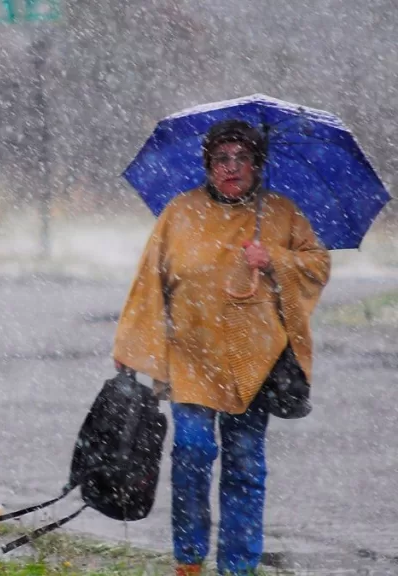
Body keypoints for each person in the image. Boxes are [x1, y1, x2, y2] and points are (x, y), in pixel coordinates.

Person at [112, 119, 331, 575]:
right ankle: (189, 560)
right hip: (191, 358)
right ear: (207, 164)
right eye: (221, 159)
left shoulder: (282, 213)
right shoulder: (179, 212)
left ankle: (238, 566)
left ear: (258, 164)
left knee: (245, 465)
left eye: (242, 158)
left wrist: (275, 259)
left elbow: (317, 265)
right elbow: (148, 284)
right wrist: (134, 346)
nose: (231, 168)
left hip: (255, 361)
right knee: (192, 453)